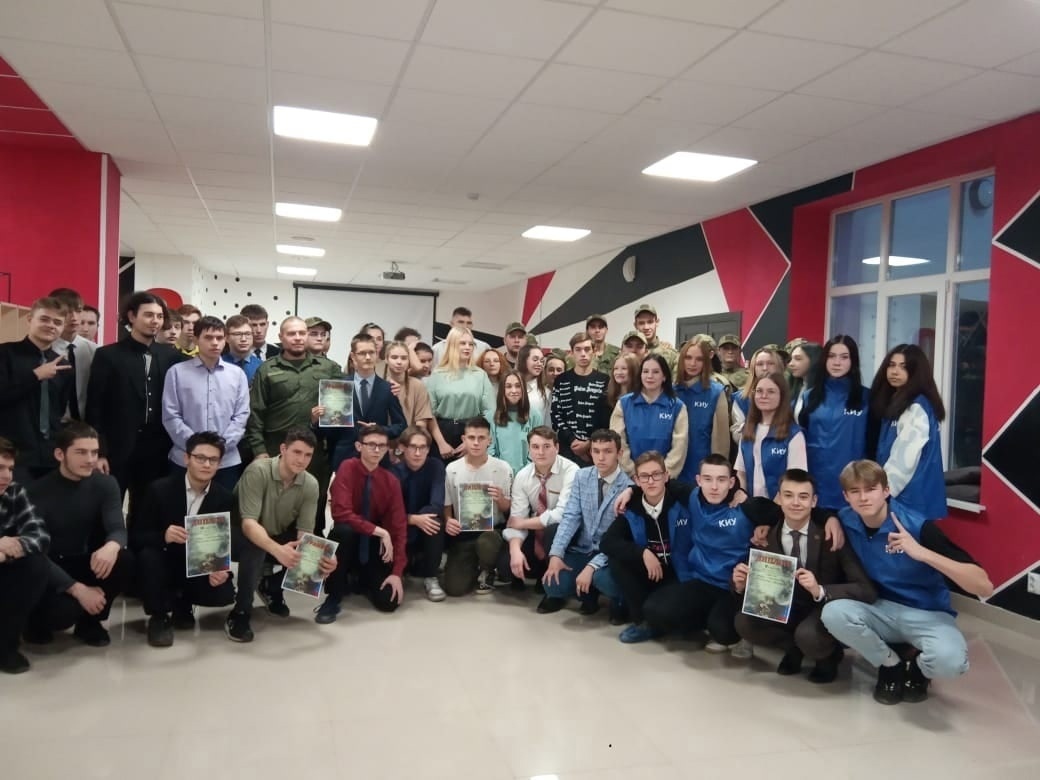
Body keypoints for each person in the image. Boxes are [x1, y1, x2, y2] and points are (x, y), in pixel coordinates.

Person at [822, 461, 993, 705]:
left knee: (951, 663)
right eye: (855, 491)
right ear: (846, 497)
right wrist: (829, 517)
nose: (863, 498)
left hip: (927, 613)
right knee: (833, 613)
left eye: (870, 489)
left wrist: (923, 553)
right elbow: (814, 511)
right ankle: (890, 664)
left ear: (886, 491)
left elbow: (984, 586)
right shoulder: (846, 519)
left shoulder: (918, 526)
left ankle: (919, 668)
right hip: (879, 608)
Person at [732, 469, 875, 682]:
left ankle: (828, 655)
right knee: (745, 622)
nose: (796, 503)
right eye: (788, 495)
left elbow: (865, 589)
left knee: (809, 635)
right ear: (779, 499)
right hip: (785, 607)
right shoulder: (766, 535)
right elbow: (749, 581)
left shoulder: (831, 535)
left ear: (814, 501)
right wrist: (740, 584)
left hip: (822, 608)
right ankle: (794, 649)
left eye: (803, 496)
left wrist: (821, 590)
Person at [26, 423, 133, 649]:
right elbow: (35, 553)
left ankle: (90, 623)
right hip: (50, 567)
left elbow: (117, 528)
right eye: (81, 452)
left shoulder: (106, 484)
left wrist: (112, 546)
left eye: (94, 452)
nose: (90, 460)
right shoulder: (36, 492)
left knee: (124, 559)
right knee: (63, 614)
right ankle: (35, 621)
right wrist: (77, 589)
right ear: (60, 454)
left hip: (85, 559)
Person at [86, 291, 182, 541]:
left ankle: (139, 557)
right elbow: (95, 407)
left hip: (157, 447)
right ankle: (106, 555)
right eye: (148, 315)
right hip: (116, 447)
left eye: (159, 316)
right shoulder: (108, 355)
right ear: (131, 316)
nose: (155, 321)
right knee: (107, 509)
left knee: (146, 510)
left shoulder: (171, 356)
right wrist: (99, 451)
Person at [225, 428, 328, 642]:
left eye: (308, 455)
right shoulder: (258, 471)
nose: (301, 460)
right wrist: (277, 550)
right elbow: (248, 524)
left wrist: (320, 559)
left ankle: (271, 586)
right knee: (256, 546)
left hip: (274, 533)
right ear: (283, 449)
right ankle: (241, 611)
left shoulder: (310, 483)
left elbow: (305, 534)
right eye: (297, 452)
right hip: (238, 535)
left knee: (318, 551)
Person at [135, 431, 236, 647]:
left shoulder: (224, 497)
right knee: (148, 556)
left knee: (224, 593)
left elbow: (223, 544)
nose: (206, 464)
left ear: (219, 464)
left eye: (213, 460)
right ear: (186, 458)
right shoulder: (159, 489)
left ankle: (183, 604)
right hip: (165, 560)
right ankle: (159, 616)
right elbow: (137, 536)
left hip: (198, 565)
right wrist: (163, 536)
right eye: (200, 458)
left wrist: (219, 569)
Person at [600, 452, 694, 643]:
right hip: (650, 573)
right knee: (615, 560)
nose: (651, 481)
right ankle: (641, 621)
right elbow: (607, 542)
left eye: (656, 474)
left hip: (679, 575)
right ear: (636, 480)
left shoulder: (682, 501)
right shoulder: (632, 508)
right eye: (644, 476)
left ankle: (656, 615)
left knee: (665, 614)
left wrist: (738, 493)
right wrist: (643, 553)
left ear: (666, 476)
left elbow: (705, 493)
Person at [317, 426, 407, 623]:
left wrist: (397, 573)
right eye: (371, 444)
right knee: (344, 530)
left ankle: (361, 579)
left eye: (382, 446)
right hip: (348, 539)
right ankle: (334, 596)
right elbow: (340, 513)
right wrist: (379, 531)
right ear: (359, 446)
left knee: (389, 602)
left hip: (371, 544)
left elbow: (399, 526)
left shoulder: (391, 481)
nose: (377, 450)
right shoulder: (347, 468)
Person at [540, 429, 629, 617]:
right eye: (596, 451)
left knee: (604, 580)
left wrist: (592, 566)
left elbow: (621, 540)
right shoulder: (582, 476)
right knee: (552, 584)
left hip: (610, 555)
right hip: (584, 549)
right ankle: (586, 594)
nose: (601, 457)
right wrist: (556, 554)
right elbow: (570, 516)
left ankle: (618, 600)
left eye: (608, 451)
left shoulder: (628, 487)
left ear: (619, 453)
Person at [162, 316, 250, 490]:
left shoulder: (237, 374)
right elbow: (171, 415)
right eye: (208, 337)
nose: (215, 343)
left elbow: (241, 416)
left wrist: (220, 447)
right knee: (182, 505)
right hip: (185, 458)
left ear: (225, 339)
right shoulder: (176, 373)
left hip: (226, 461)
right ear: (196, 340)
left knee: (223, 506)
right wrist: (196, 448)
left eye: (219, 338)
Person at [868, 345, 948, 520]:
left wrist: (880, 494)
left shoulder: (916, 407)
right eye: (891, 365)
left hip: (910, 500)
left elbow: (905, 459)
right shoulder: (897, 402)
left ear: (916, 372)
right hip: (904, 497)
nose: (895, 371)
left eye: (903, 367)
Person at [0, 296, 74, 483]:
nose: (51, 326)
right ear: (29, 319)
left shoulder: (63, 365)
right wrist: (35, 376)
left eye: (57, 322)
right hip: (12, 453)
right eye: (44, 319)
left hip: (51, 454)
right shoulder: (5, 354)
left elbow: (59, 411)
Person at [441, 417, 513, 597]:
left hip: (492, 531)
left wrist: (500, 499)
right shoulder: (452, 469)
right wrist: (448, 520)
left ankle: (488, 569)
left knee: (486, 543)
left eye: (481, 438)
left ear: (489, 440)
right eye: (471, 437)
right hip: (464, 532)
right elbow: (447, 504)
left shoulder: (503, 468)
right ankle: (472, 567)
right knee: (454, 588)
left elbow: (509, 510)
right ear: (463, 439)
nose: (476, 442)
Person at [799, 335, 869, 510]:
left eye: (844, 357)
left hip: (854, 485)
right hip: (817, 484)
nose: (837, 362)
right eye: (831, 356)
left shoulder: (867, 398)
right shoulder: (809, 397)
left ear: (853, 361)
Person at [502, 427, 578, 587]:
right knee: (505, 565)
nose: (541, 452)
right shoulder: (523, 476)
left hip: (564, 533)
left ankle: (551, 580)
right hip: (535, 531)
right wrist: (515, 551)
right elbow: (516, 519)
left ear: (557, 447)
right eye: (535, 447)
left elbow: (563, 514)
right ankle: (536, 572)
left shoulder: (571, 471)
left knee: (552, 529)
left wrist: (523, 523)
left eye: (547, 446)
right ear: (529, 450)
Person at [0, 437, 51, 674]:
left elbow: (40, 535)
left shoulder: (14, 491)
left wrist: (6, 553)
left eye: (10, 469)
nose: (6, 476)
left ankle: (6, 646)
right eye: (0, 468)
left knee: (36, 565)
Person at [329, 333, 407, 471]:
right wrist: (319, 419)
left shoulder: (387, 388)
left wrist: (380, 430)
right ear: (353, 357)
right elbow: (330, 430)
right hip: (345, 457)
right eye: (362, 353)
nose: (368, 357)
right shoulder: (339, 387)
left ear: (377, 355)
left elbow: (401, 425)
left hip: (378, 458)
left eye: (371, 352)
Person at [391, 427, 447, 602]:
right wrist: (412, 519)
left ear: (428, 449)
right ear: (402, 447)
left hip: (424, 525)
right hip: (402, 527)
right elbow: (391, 512)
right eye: (413, 447)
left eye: (422, 447)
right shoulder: (394, 472)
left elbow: (437, 503)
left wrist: (420, 519)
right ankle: (400, 570)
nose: (418, 453)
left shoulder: (435, 466)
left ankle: (431, 576)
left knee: (435, 522)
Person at [611, 354, 688, 478]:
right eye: (645, 371)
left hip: (664, 479)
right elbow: (618, 441)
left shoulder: (677, 407)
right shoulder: (624, 404)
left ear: (664, 376)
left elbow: (680, 447)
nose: (650, 376)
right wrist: (632, 472)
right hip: (630, 477)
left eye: (656, 372)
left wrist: (662, 475)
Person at [426, 327, 495, 461]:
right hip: (441, 434)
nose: (467, 347)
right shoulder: (437, 375)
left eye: (471, 344)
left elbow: (489, 412)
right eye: (462, 343)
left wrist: (472, 440)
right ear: (452, 345)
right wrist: (441, 443)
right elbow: (429, 413)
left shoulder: (480, 375)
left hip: (473, 433)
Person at [735, 372, 807, 498]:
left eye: (771, 391)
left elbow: (795, 480)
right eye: (759, 391)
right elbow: (741, 473)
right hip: (752, 505)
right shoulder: (748, 430)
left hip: (781, 505)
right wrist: (742, 496)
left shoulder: (794, 435)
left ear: (782, 396)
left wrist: (775, 506)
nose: (764, 396)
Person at [675, 337, 729, 483]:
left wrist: (717, 475)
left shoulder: (715, 392)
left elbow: (721, 443)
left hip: (702, 470)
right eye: (688, 357)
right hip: (672, 470)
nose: (692, 363)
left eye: (699, 359)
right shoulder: (671, 391)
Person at [551, 332, 609, 467]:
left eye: (587, 349)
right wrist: (572, 440)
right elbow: (556, 415)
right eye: (578, 349)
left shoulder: (604, 380)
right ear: (571, 353)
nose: (583, 354)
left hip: (596, 451)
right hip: (567, 450)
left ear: (594, 351)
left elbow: (606, 418)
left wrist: (589, 443)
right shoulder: (561, 380)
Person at [49, 287, 97, 423]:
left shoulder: (94, 350)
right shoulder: (44, 348)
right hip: (52, 423)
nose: (74, 318)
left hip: (86, 424)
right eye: (67, 312)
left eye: (78, 311)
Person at [490, 370, 542, 473]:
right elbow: (490, 450)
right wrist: (502, 472)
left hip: (528, 473)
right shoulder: (491, 416)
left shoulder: (535, 415)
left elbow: (538, 448)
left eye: (518, 386)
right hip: (499, 473)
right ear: (502, 390)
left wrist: (525, 473)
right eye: (508, 386)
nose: (514, 390)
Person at [729, 346, 784, 443]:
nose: (765, 368)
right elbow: (737, 435)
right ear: (753, 368)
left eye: (770, 363)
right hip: (751, 447)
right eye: (760, 364)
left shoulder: (790, 395)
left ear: (778, 366)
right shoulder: (741, 398)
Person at [384, 340, 434, 433]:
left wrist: (414, 439)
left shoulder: (418, 385)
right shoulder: (380, 384)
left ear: (409, 361)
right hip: (384, 437)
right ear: (386, 359)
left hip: (411, 438)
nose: (399, 362)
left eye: (404, 358)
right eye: (394, 357)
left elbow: (421, 421)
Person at [633, 303, 677, 374]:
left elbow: (676, 380)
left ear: (657, 322)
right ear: (635, 325)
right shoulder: (630, 354)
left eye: (650, 322)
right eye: (641, 323)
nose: (646, 327)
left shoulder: (670, 354)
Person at [221, 313, 263, 384]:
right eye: (237, 334)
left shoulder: (261, 366)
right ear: (227, 338)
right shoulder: (218, 365)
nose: (243, 339)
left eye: (247, 334)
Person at [517, 343, 550, 423]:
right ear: (523, 360)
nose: (539, 364)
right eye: (535, 360)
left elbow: (547, 422)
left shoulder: (546, 393)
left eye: (542, 361)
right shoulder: (510, 387)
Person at [788, 341, 822, 417]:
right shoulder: (795, 388)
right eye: (791, 359)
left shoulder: (826, 390)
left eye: (798, 359)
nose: (790, 364)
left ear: (814, 360)